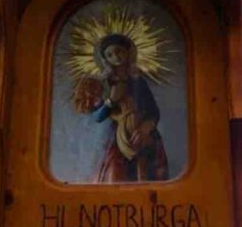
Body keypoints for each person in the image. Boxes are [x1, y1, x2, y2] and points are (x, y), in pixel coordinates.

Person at [72, 34, 169, 183]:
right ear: (104, 59)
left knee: (148, 175)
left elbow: (153, 111)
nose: (116, 57)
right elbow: (96, 116)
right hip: (114, 138)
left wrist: (145, 128)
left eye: (119, 51)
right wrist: (111, 101)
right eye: (110, 54)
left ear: (128, 53)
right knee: (115, 176)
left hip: (140, 133)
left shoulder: (137, 81)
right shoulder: (102, 84)